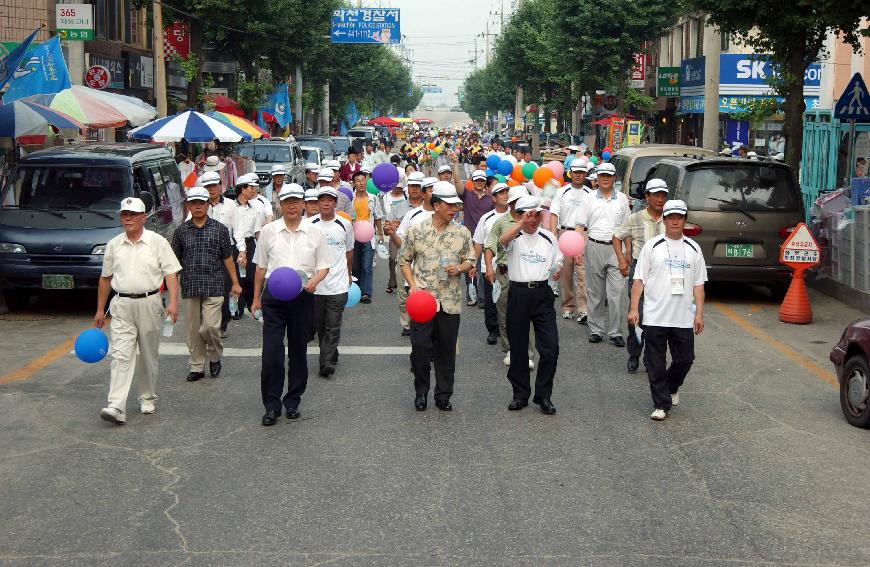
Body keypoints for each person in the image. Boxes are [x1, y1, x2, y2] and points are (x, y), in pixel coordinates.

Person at [94, 197, 182, 425]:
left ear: (144, 217)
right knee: (121, 355)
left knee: (148, 355)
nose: (128, 219)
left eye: (133, 214)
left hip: (150, 303)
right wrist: (99, 310)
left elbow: (171, 273)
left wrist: (173, 302)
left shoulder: (157, 242)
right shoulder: (114, 244)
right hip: (121, 305)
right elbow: (105, 279)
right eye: (124, 215)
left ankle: (147, 396)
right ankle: (116, 405)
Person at [251, 184, 331, 426]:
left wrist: (314, 282)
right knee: (272, 353)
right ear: (280, 205)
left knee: (298, 351)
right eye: (287, 202)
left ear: (304, 204)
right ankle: (271, 405)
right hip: (273, 298)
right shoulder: (269, 231)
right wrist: (256, 298)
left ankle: (293, 400)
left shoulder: (315, 233)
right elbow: (261, 267)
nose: (292, 205)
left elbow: (324, 265)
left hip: (302, 296)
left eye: (297, 201)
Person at [398, 181, 475, 412]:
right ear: (437, 204)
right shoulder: (417, 230)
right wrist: (412, 286)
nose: (454, 209)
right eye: (450, 205)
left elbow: (470, 259)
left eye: (456, 206)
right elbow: (404, 261)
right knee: (420, 348)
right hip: (423, 301)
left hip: (449, 301)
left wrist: (460, 268)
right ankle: (421, 392)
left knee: (446, 351)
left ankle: (443, 395)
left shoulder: (462, 233)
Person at [627, 200, 706, 421]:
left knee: (685, 359)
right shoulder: (652, 246)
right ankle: (661, 404)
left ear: (684, 220)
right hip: (655, 315)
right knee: (655, 363)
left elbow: (699, 285)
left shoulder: (694, 248)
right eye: (670, 216)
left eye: (679, 217)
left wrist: (699, 313)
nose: (674, 221)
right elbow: (639, 280)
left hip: (683, 317)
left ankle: (671, 386)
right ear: (664, 219)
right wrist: (634, 309)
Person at [498, 195, 562, 415]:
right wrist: (520, 223)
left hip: (542, 293)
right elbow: (502, 241)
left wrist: (557, 271)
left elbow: (557, 261)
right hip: (518, 293)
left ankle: (543, 396)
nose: (533, 219)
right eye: (528, 215)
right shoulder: (514, 236)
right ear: (518, 216)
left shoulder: (549, 237)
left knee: (551, 348)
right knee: (518, 348)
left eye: (537, 215)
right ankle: (520, 394)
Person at [171, 187, 243, 382]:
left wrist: (235, 283)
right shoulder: (181, 232)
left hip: (214, 284)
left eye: (201, 203)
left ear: (207, 205)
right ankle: (196, 365)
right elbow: (173, 263)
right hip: (190, 285)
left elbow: (228, 258)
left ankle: (214, 355)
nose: (197, 207)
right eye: (193, 203)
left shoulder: (219, 229)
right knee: (193, 331)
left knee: (210, 327)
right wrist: (170, 294)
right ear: (188, 205)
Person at [612, 178, 667, 373]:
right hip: (640, 272)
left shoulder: (670, 218)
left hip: (664, 274)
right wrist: (621, 260)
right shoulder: (636, 218)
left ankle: (653, 358)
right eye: (656, 195)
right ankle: (634, 353)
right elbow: (617, 237)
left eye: (663, 195)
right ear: (647, 197)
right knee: (638, 314)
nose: (660, 199)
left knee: (660, 317)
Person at [574, 162, 630, 346]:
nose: (605, 178)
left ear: (615, 178)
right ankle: (596, 330)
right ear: (596, 178)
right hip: (594, 246)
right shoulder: (589, 199)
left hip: (616, 250)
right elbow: (580, 226)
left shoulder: (622, 199)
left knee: (616, 294)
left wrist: (628, 252)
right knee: (595, 292)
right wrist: (577, 250)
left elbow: (627, 229)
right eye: (602, 175)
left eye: (609, 175)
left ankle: (615, 332)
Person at [484, 186, 536, 370]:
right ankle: (510, 349)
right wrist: (489, 267)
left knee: (527, 314)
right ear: (511, 204)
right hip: (505, 272)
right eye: (515, 202)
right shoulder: (500, 222)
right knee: (504, 311)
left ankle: (528, 353)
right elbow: (489, 245)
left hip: (526, 273)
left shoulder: (533, 221)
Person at [309, 187, 354, 377]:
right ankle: (331, 352)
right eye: (323, 200)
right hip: (316, 285)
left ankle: (325, 362)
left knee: (333, 324)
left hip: (338, 284)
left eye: (330, 200)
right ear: (318, 203)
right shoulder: (310, 224)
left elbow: (349, 251)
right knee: (320, 325)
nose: (326, 203)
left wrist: (349, 273)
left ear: (335, 203)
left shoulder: (345, 224)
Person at [389, 175, 433, 336]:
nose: (414, 189)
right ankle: (407, 324)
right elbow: (401, 241)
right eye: (411, 185)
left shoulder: (440, 212)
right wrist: (392, 233)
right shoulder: (407, 212)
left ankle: (423, 324)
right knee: (404, 297)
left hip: (430, 267)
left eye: (417, 186)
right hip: (406, 262)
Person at [549, 160, 591, 323]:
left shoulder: (590, 193)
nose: (578, 175)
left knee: (582, 272)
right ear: (570, 173)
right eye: (576, 172)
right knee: (566, 272)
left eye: (581, 172)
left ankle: (583, 309)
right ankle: (567, 307)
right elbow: (554, 213)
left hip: (583, 235)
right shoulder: (562, 192)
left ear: (585, 174)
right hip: (565, 233)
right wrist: (554, 234)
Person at [472, 182, 509, 345]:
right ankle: (493, 330)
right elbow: (479, 242)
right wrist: (473, 263)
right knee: (491, 300)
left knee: (508, 300)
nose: (505, 195)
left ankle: (508, 329)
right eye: (501, 193)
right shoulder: (486, 219)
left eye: (507, 192)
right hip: (489, 266)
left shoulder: (515, 217)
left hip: (509, 267)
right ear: (493, 198)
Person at [457, 169, 494, 307]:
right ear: (472, 181)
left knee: (483, 267)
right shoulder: (467, 195)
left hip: (485, 239)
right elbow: (457, 183)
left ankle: (482, 298)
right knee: (469, 268)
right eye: (477, 180)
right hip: (469, 238)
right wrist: (455, 164)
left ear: (485, 182)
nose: (479, 182)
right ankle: (470, 296)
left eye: (482, 180)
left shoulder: (491, 199)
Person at [233, 174, 265, 316]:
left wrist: (264, 247)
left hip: (251, 244)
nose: (254, 190)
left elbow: (258, 231)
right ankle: (236, 308)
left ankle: (253, 304)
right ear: (242, 189)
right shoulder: (231, 207)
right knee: (236, 278)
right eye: (251, 187)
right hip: (234, 245)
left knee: (252, 276)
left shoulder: (255, 208)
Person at [350, 170, 383, 303]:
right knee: (356, 265)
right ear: (354, 183)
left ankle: (366, 293)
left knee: (367, 265)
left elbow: (378, 216)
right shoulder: (350, 198)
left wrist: (380, 233)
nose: (361, 183)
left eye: (363, 180)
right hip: (353, 237)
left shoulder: (372, 198)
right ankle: (356, 290)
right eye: (358, 181)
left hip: (368, 237)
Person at [381, 171, 413, 294]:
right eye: (412, 187)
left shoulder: (425, 208)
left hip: (414, 239)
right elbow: (386, 225)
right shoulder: (394, 204)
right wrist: (390, 228)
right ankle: (393, 281)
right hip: (397, 237)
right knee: (394, 259)